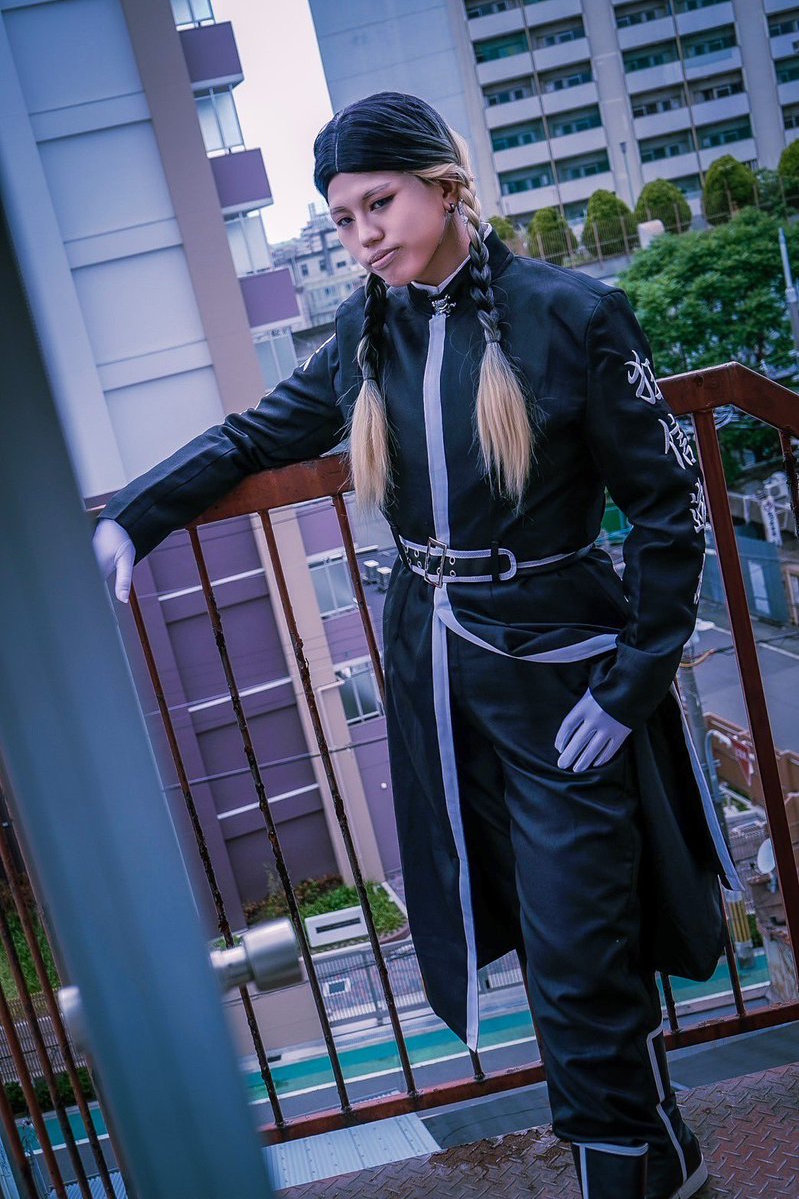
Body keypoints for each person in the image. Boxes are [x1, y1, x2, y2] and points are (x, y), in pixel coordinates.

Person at [94, 92, 741, 1199]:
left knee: (581, 927)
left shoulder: (574, 315)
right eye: (342, 220)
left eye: (378, 204)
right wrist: (134, 516)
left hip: (561, 671)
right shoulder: (366, 336)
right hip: (434, 679)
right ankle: (653, 1146)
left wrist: (631, 682)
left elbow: (667, 511)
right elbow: (256, 435)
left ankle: (625, 1168)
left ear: (444, 185)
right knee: (532, 923)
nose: (363, 236)